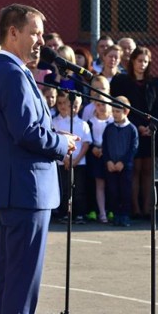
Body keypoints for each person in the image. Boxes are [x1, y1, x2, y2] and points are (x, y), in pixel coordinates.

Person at [0, 3, 75, 314]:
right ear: (13, 33)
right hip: (26, 190)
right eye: (34, 32)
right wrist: (62, 142)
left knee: (10, 282)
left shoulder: (10, 72)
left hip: (17, 189)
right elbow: (28, 134)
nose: (41, 40)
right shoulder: (11, 73)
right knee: (21, 284)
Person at [110, 46, 158, 219]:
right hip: (130, 131)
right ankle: (134, 208)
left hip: (150, 132)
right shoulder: (121, 81)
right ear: (132, 61)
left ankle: (147, 208)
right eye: (139, 61)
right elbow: (122, 106)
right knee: (134, 169)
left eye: (146, 62)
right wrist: (137, 126)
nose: (142, 65)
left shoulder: (154, 83)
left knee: (148, 170)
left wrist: (151, 126)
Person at [52, 90, 91, 223]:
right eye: (71, 105)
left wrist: (76, 159)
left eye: (76, 106)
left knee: (79, 189)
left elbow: (86, 144)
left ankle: (79, 214)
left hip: (79, 163)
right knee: (64, 189)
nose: (73, 108)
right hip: (63, 163)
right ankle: (64, 214)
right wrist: (66, 159)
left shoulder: (83, 124)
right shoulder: (58, 123)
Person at [102, 96, 139, 226]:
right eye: (113, 111)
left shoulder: (131, 129)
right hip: (111, 166)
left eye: (118, 111)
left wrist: (123, 162)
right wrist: (108, 161)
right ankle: (116, 214)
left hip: (125, 167)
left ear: (126, 112)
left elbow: (133, 148)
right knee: (113, 190)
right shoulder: (109, 128)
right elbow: (105, 146)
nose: (115, 114)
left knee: (125, 191)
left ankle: (125, 215)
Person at [87, 98, 113, 224]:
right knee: (99, 184)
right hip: (96, 156)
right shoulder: (90, 122)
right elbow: (88, 138)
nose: (102, 107)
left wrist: (105, 149)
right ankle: (101, 212)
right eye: (98, 105)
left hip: (111, 156)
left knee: (112, 184)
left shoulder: (113, 121)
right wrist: (93, 148)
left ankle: (111, 209)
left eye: (104, 104)